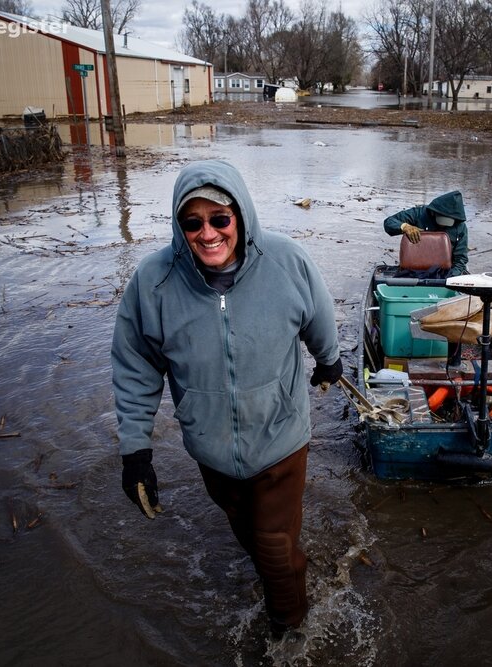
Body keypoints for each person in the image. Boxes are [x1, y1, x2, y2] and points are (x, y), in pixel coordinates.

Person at [110, 159, 342, 639]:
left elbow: (318, 316)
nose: (208, 233)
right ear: (179, 227)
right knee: (252, 541)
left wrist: (329, 359)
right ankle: (288, 577)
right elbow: (135, 366)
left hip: (280, 438)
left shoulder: (286, 261)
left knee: (274, 548)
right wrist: (136, 450)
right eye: (192, 223)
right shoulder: (153, 282)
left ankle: (290, 637)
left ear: (240, 214)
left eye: (220, 219)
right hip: (212, 449)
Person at [383, 190, 469, 277]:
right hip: (413, 270)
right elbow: (388, 222)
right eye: (442, 220)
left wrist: (450, 278)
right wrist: (405, 227)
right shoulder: (419, 214)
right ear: (434, 212)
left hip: (445, 272)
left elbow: (461, 259)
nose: (443, 225)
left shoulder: (460, 227)